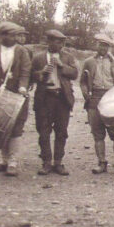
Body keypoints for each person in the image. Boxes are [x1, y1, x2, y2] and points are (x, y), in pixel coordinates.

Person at [80, 34, 114, 176]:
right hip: (95, 98)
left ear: (110, 47)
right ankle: (101, 162)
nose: (103, 48)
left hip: (112, 98)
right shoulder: (89, 62)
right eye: (101, 45)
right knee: (98, 133)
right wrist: (86, 94)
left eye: (106, 45)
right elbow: (83, 81)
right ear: (97, 45)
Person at [31, 29, 78, 175]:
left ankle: (58, 162)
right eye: (57, 42)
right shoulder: (38, 58)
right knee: (43, 131)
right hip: (45, 98)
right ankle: (46, 162)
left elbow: (75, 74)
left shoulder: (68, 57)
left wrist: (62, 66)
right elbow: (31, 76)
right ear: (49, 42)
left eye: (62, 42)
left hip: (62, 98)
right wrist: (42, 72)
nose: (60, 45)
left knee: (62, 131)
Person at [0, 22, 31, 176]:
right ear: (2, 35)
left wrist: (22, 87)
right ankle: (4, 160)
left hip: (17, 95)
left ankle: (13, 162)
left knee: (15, 128)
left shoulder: (22, 51)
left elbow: (26, 72)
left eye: (16, 35)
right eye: (12, 35)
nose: (15, 38)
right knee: (0, 126)